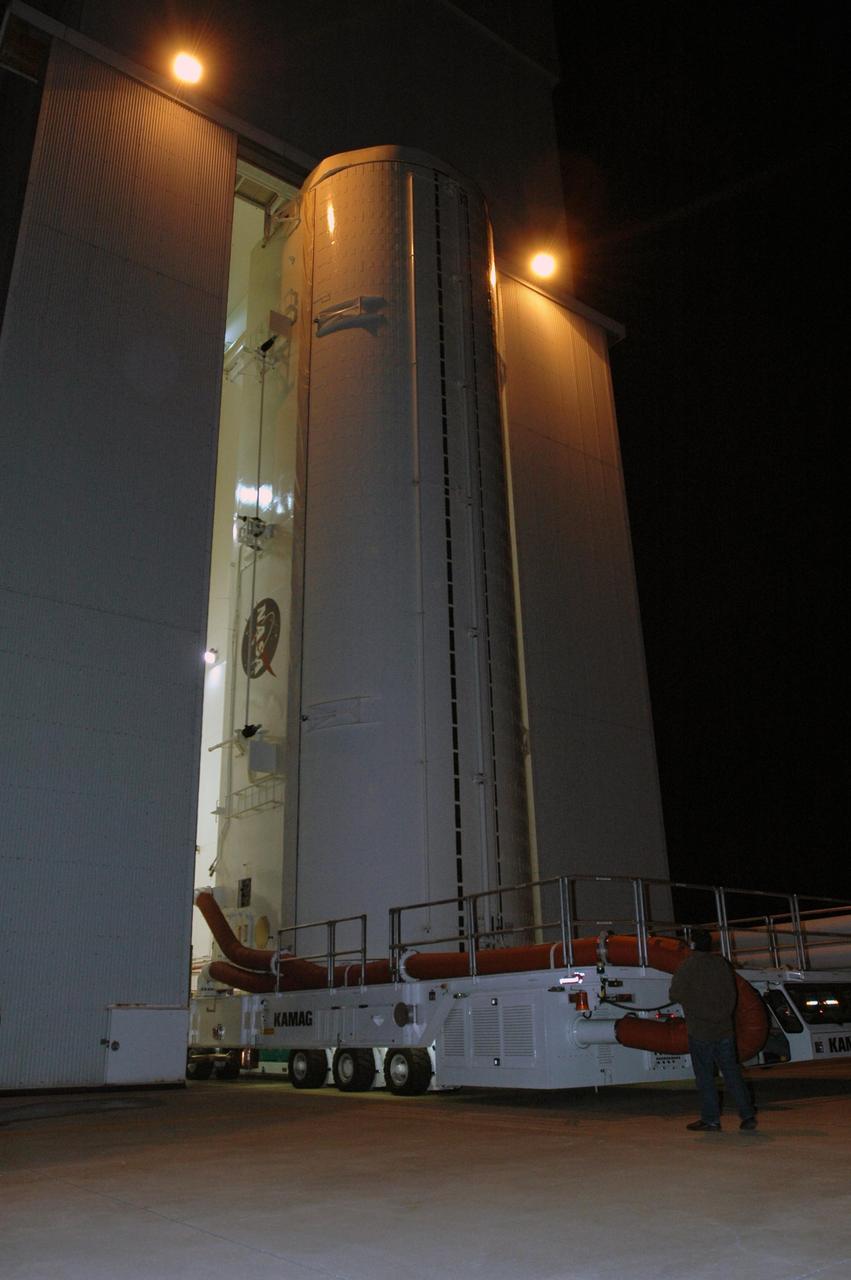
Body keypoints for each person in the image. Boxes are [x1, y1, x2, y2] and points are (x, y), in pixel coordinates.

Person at [669, 928, 757, 1132]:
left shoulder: (688, 965)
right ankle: (747, 1115)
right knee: (732, 1073)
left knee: (705, 1077)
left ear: (692, 945)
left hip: (700, 1030)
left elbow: (675, 994)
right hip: (724, 1029)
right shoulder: (722, 964)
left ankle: (711, 1120)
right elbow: (732, 994)